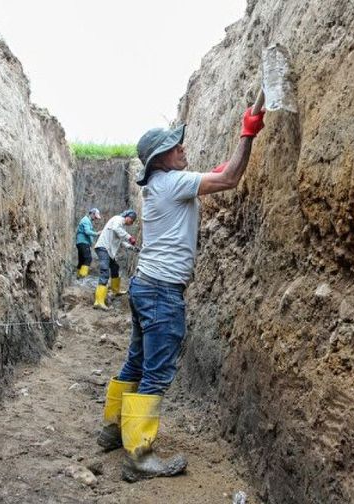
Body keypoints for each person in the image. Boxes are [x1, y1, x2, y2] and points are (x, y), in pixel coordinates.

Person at [96, 105, 265, 482]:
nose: (183, 149)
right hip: (161, 293)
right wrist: (248, 134)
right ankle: (138, 456)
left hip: (145, 286)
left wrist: (235, 150)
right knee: (156, 372)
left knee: (136, 362)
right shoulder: (173, 183)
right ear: (161, 160)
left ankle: (112, 429)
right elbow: (230, 178)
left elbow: (216, 174)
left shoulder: (162, 185)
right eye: (176, 147)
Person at [93, 209, 139, 310]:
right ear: (127, 217)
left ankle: (115, 290)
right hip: (103, 248)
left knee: (115, 268)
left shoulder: (120, 226)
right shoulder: (117, 219)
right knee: (105, 271)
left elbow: (122, 241)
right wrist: (129, 237)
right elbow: (116, 229)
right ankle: (99, 301)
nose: (131, 223)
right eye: (131, 220)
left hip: (107, 250)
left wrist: (133, 248)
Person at [75, 208, 101, 278]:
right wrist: (97, 233)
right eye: (95, 217)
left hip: (80, 242)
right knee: (88, 259)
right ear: (92, 214)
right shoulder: (86, 220)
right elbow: (87, 232)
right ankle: (82, 277)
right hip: (83, 242)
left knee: (81, 260)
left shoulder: (86, 220)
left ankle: (78, 277)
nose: (95, 219)